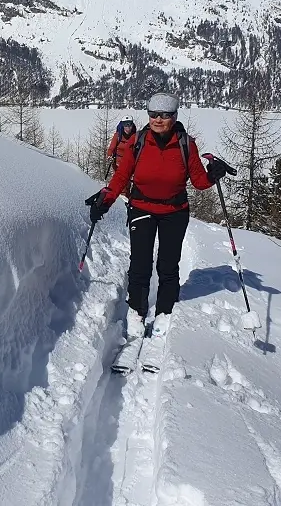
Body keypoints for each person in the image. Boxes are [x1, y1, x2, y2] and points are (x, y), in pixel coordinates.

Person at [86, 93, 231, 340]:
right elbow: (122, 176)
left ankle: (165, 311)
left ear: (174, 116)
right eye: (153, 114)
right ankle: (136, 311)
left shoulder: (186, 144)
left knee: (168, 264)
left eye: (164, 115)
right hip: (141, 208)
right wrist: (106, 198)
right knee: (140, 263)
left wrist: (212, 175)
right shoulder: (138, 142)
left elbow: (199, 181)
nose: (158, 119)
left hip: (175, 212)